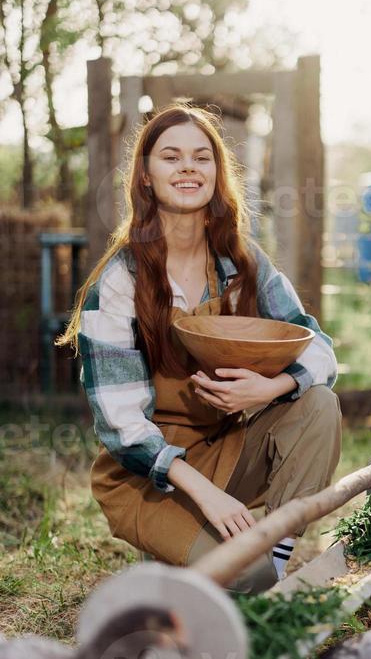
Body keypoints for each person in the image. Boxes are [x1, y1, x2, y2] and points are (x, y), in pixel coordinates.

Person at [56, 102, 342, 593]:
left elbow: (319, 350)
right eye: (170, 157)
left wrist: (270, 388)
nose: (188, 166)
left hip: (227, 449)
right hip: (149, 475)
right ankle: (187, 547)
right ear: (145, 177)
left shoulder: (242, 263)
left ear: (217, 173)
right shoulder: (121, 280)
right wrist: (208, 497)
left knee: (319, 405)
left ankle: (271, 558)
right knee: (240, 576)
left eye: (201, 157)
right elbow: (122, 426)